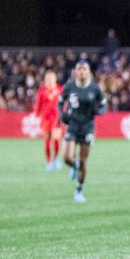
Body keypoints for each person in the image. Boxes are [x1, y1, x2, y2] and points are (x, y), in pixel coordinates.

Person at [58, 60, 106, 203]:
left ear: (89, 72)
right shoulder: (69, 87)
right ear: (76, 72)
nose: (82, 71)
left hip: (87, 127)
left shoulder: (95, 89)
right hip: (72, 125)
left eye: (84, 69)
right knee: (67, 158)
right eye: (79, 69)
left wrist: (99, 111)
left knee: (83, 159)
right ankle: (75, 166)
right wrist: (62, 114)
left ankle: (79, 190)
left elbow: (104, 105)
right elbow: (60, 102)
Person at [34, 70, 63, 171]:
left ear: (55, 78)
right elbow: (38, 103)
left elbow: (64, 103)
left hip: (56, 119)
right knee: (47, 141)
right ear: (45, 79)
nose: (50, 79)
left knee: (56, 140)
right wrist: (36, 115)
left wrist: (64, 114)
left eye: (52, 77)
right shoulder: (42, 90)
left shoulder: (59, 89)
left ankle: (56, 158)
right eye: (48, 77)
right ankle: (49, 161)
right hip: (45, 119)